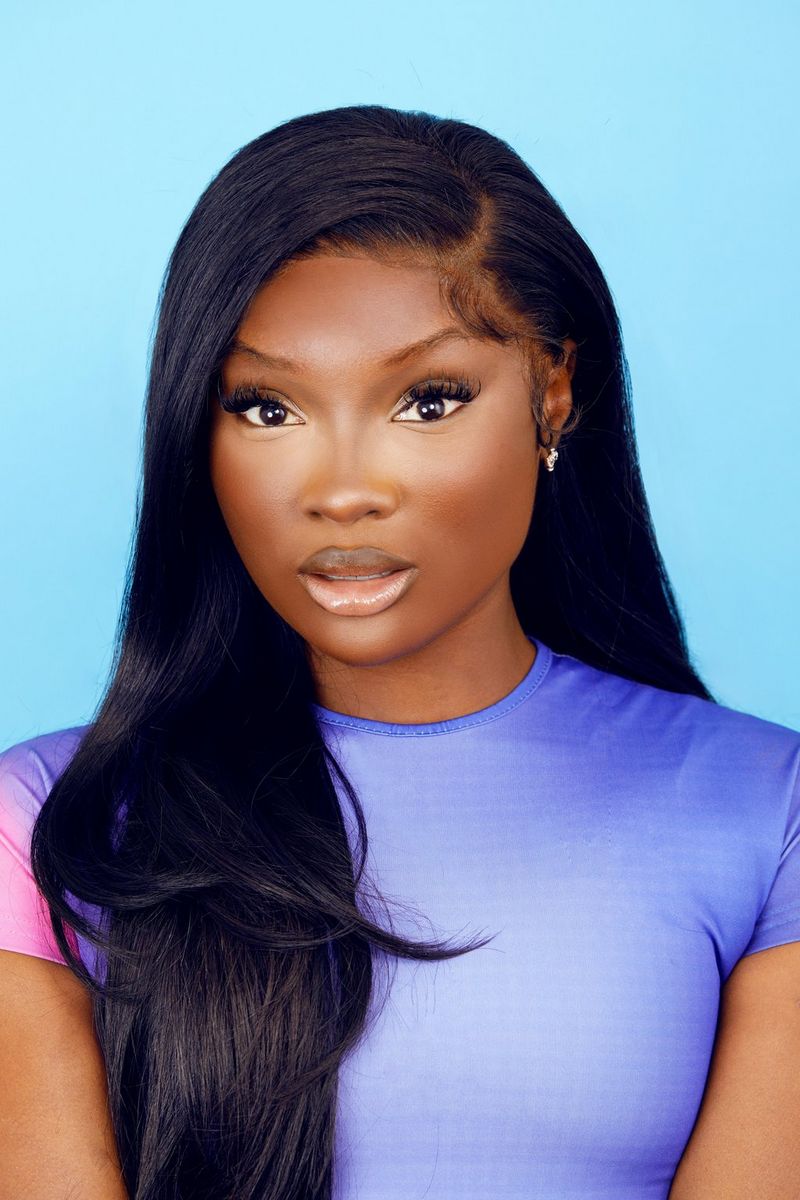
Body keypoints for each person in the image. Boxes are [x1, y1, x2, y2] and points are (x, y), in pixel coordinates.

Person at [1, 104, 798, 1200]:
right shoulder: (50, 825)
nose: (340, 489)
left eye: (427, 400)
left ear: (552, 393)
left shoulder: (765, 812)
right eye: (266, 407)